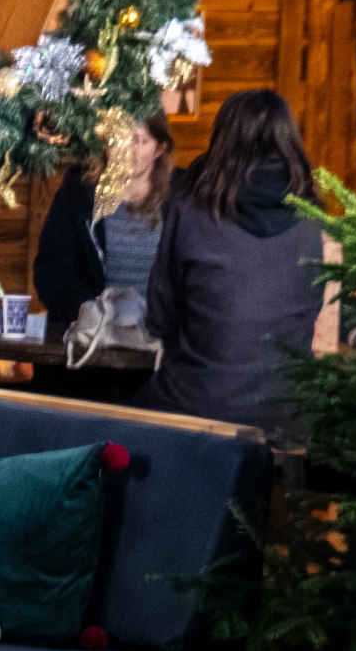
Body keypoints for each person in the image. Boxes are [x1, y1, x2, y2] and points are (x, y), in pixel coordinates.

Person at [138, 90, 330, 436]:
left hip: (195, 402)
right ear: (289, 139)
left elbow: (160, 316)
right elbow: (310, 310)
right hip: (289, 411)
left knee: (115, 422)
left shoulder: (191, 207)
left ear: (222, 138)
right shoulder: (312, 217)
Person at [34, 112, 179, 329]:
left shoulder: (181, 201)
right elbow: (51, 270)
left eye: (139, 140)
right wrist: (87, 310)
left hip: (161, 340)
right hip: (93, 339)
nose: (125, 150)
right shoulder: (78, 195)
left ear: (160, 148)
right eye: (117, 139)